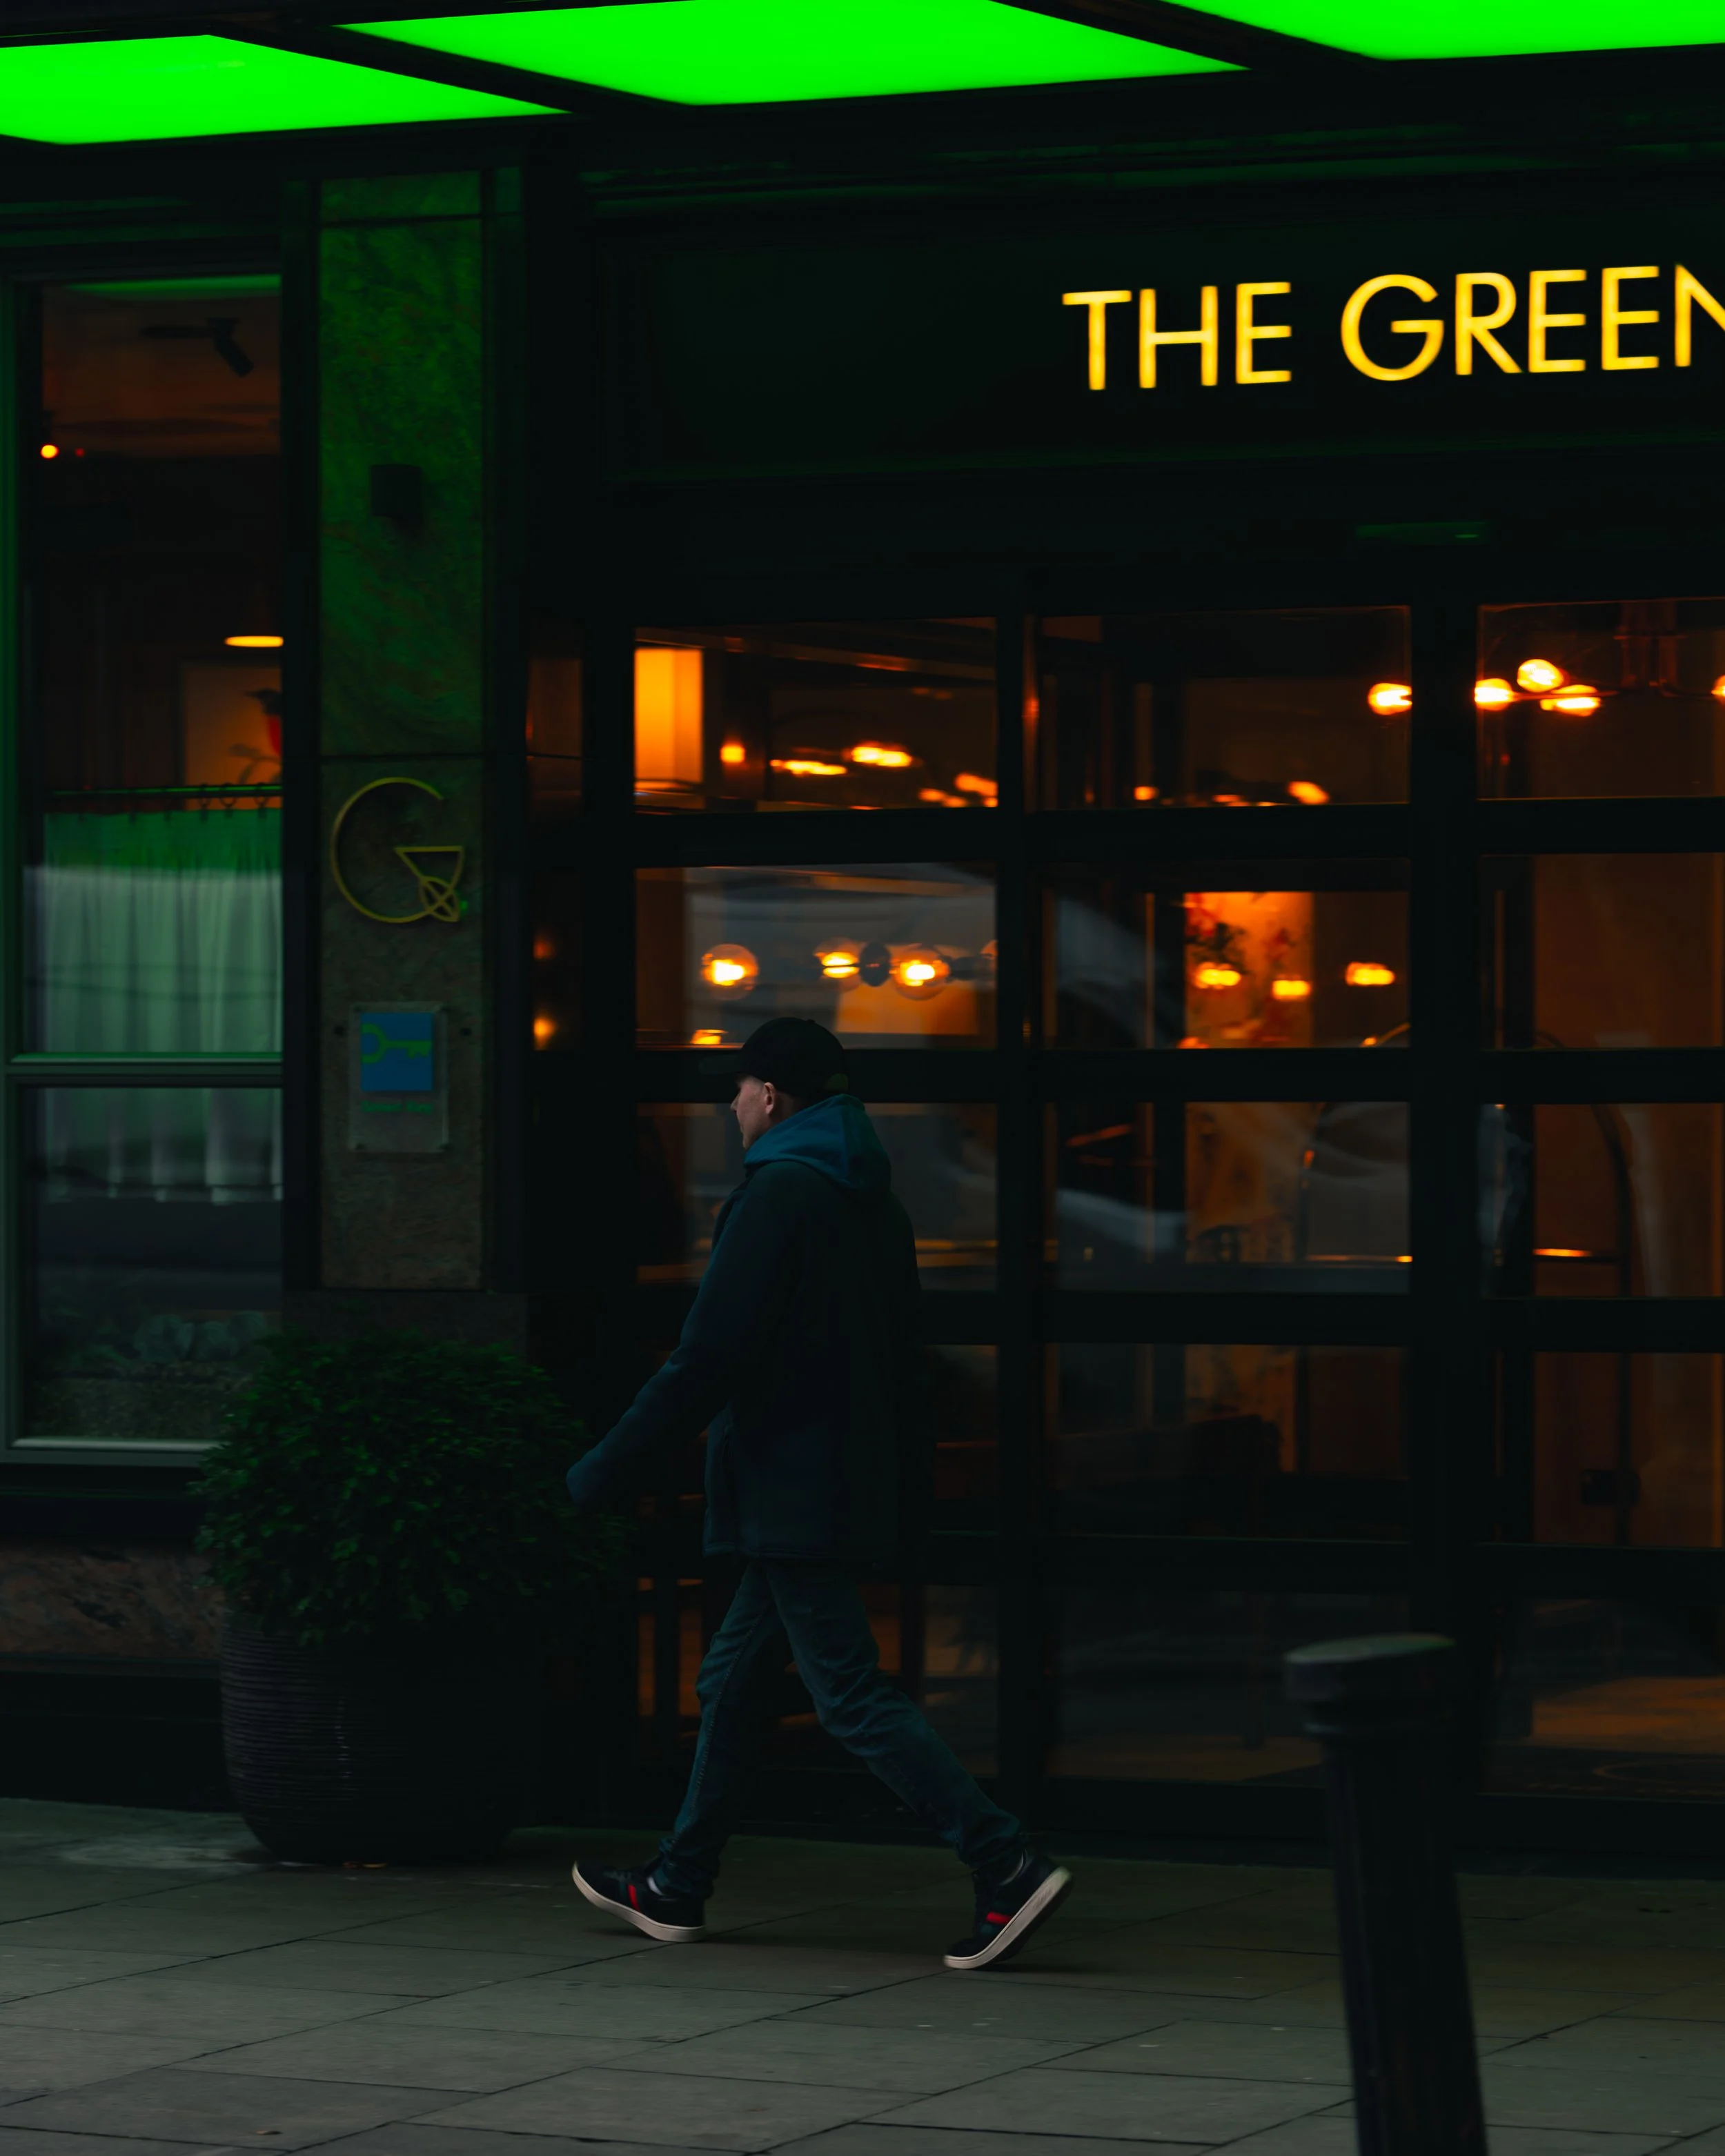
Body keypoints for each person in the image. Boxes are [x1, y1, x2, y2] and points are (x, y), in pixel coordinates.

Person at [566, 1015, 1071, 1970]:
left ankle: (1004, 1863)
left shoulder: (778, 1198)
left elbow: (707, 1358)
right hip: (832, 1482)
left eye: (739, 1090)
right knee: (733, 1683)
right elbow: (900, 1355)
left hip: (789, 1493)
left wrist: (603, 1469)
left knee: (847, 1695)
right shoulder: (871, 1199)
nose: (730, 1106)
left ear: (770, 1097)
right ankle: (679, 1881)